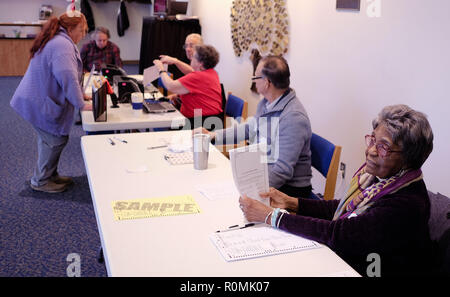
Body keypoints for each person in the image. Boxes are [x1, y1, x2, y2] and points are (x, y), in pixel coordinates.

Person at [239, 104, 434, 276]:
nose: (371, 150)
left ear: (408, 158)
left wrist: (271, 216)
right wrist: (291, 202)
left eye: (384, 147)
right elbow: (344, 209)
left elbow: (339, 234)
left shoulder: (406, 204)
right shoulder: (383, 179)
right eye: (373, 140)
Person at [196, 56, 313, 197]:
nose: (253, 80)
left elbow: (282, 171)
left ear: (267, 82)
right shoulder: (267, 103)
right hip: (262, 174)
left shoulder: (293, 118)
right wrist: (214, 135)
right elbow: (249, 129)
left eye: (255, 77)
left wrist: (247, 189)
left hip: (288, 190)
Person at [10, 12, 91, 193]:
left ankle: (50, 175)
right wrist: (81, 104)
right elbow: (68, 78)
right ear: (70, 28)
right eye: (81, 30)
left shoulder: (61, 40)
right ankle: (40, 181)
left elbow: (69, 76)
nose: (84, 34)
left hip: (38, 97)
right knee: (54, 139)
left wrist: (81, 95)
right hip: (38, 101)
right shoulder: (62, 45)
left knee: (50, 139)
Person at [153, 44, 223, 129]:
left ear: (200, 63)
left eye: (193, 57)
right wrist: (177, 96)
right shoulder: (212, 73)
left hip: (201, 124)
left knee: (161, 125)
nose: (190, 59)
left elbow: (170, 86)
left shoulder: (197, 77)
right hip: (210, 120)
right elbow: (201, 93)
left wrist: (161, 69)